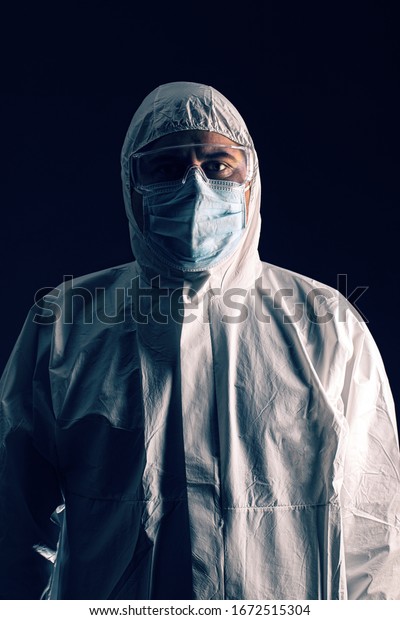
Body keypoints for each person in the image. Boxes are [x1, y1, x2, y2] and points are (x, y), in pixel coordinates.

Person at [0, 81, 399, 601]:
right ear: (130, 184)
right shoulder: (65, 324)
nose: (196, 188)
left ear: (250, 181)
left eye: (218, 166)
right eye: (167, 168)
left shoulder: (326, 324)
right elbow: (13, 526)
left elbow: (376, 527)